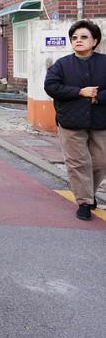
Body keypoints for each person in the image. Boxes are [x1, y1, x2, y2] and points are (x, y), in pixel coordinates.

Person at [44, 20, 106, 221]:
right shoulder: (62, 65)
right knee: (78, 162)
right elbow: (51, 86)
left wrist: (97, 97)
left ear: (94, 41)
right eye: (74, 38)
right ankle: (84, 202)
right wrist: (80, 92)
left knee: (101, 162)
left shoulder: (104, 62)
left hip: (100, 121)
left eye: (84, 37)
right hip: (70, 121)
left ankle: (89, 192)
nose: (78, 40)